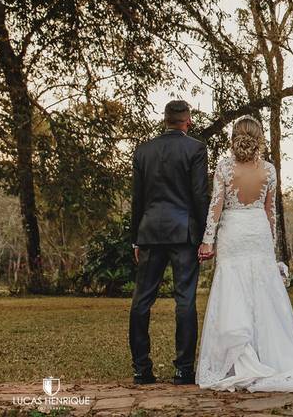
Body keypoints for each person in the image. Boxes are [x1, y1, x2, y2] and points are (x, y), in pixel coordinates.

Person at [195, 116, 293, 392]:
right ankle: (269, 355)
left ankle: (238, 359)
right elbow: (271, 213)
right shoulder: (269, 170)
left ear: (236, 137)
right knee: (263, 294)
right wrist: (272, 247)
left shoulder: (224, 168)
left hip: (233, 232)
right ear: (260, 138)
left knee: (233, 289)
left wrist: (208, 240)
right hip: (257, 233)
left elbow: (215, 207)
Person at [129, 100, 209, 385]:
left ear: (165, 120)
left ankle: (141, 369)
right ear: (187, 121)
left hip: (149, 232)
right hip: (183, 233)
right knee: (185, 299)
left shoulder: (143, 151)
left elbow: (137, 200)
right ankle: (183, 369)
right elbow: (200, 195)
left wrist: (135, 240)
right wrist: (205, 235)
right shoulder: (196, 149)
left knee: (142, 300)